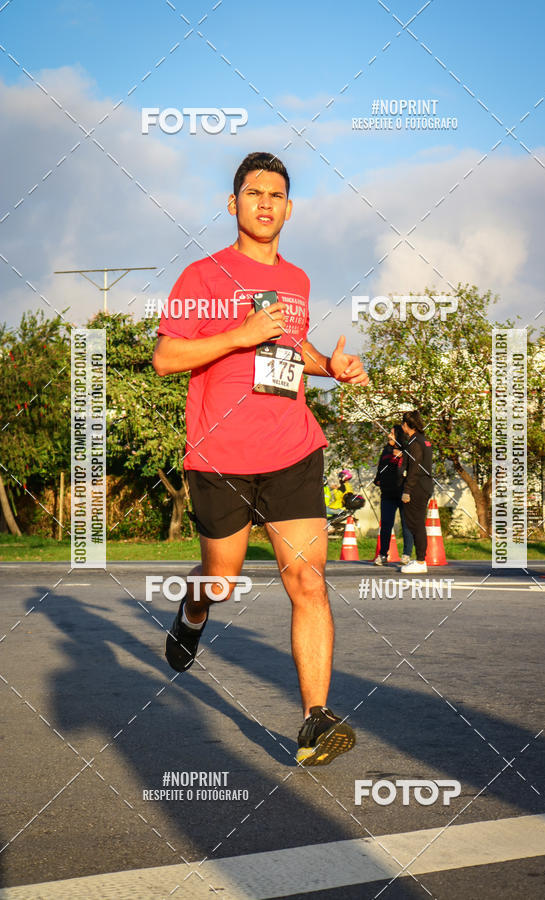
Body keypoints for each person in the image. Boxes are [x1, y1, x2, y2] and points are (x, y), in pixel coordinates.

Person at [152, 151, 369, 766]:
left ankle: (315, 720)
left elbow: (291, 344)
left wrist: (331, 366)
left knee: (308, 581)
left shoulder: (297, 281)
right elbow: (167, 357)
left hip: (292, 448)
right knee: (221, 577)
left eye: (276, 195)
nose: (266, 203)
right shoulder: (203, 276)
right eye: (254, 193)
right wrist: (238, 335)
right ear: (233, 204)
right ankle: (194, 612)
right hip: (221, 454)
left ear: (289, 209)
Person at [373, 425, 414, 565]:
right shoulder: (386, 449)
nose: (389, 435)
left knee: (406, 523)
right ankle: (383, 554)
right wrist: (377, 479)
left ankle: (406, 554)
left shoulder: (406, 450)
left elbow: (410, 468)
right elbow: (381, 467)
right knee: (386, 524)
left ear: (398, 435)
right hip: (387, 493)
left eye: (392, 433)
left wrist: (403, 456)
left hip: (402, 492)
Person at [399, 410, 433, 574]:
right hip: (424, 485)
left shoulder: (415, 443)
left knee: (415, 523)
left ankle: (420, 561)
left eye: (402, 424)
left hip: (417, 486)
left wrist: (407, 490)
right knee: (416, 522)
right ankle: (420, 559)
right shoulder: (423, 440)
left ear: (406, 425)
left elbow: (414, 469)